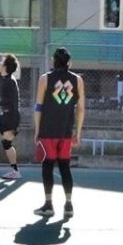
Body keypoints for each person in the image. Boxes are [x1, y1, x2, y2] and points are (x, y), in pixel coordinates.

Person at [32, 47, 85, 218]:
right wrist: (78, 132)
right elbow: (81, 109)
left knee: (47, 166)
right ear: (69, 62)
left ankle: (48, 205)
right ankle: (68, 205)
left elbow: (38, 107)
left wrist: (37, 130)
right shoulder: (77, 80)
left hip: (48, 130)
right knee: (65, 167)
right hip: (66, 131)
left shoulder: (45, 79)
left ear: (53, 61)